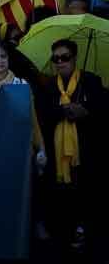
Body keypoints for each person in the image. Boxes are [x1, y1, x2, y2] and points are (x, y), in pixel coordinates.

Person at [38, 38, 105, 250]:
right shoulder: (48, 85)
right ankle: (62, 230)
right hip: (57, 150)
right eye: (56, 59)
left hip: (86, 149)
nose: (60, 62)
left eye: (65, 57)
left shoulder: (91, 81)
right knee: (61, 192)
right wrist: (64, 111)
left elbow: (103, 110)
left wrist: (86, 111)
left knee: (85, 191)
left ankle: (83, 228)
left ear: (74, 58)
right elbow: (42, 114)